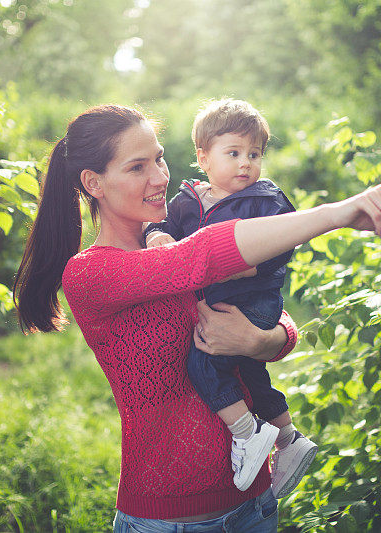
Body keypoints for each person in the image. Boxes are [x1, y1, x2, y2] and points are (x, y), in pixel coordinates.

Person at [13, 104, 381, 532]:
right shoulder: (91, 273)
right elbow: (199, 257)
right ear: (93, 182)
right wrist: (335, 215)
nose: (160, 177)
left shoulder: (175, 242)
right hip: (170, 519)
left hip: (254, 505)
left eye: (159, 158)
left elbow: (276, 323)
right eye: (137, 167)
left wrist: (260, 342)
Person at [143, 99, 316, 499]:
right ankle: (288, 438)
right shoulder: (187, 200)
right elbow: (162, 226)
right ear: (203, 158)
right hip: (220, 304)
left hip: (254, 301)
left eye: (254, 154)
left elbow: (282, 244)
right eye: (234, 153)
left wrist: (237, 265)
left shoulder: (264, 199)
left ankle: (247, 433)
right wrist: (157, 236)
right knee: (249, 373)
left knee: (203, 360)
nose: (245, 164)